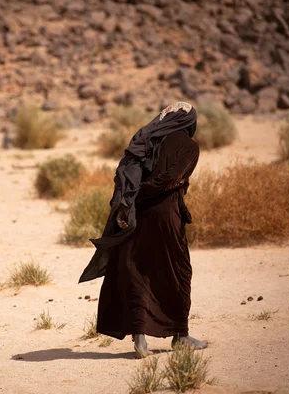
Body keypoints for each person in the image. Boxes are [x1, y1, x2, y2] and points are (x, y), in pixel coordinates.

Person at [78, 101, 206, 358]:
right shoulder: (190, 147)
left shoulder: (147, 138)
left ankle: (140, 339)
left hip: (136, 216)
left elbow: (127, 175)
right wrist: (145, 193)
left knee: (137, 271)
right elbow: (169, 180)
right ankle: (180, 335)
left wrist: (131, 200)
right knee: (176, 271)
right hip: (165, 217)